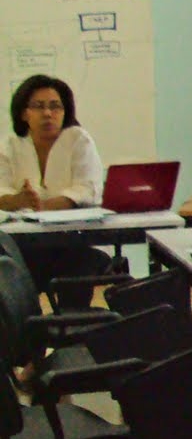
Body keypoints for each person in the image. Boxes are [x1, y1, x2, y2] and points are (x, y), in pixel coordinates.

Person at [0, 75, 114, 309]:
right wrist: (18, 200)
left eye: (55, 106)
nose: (48, 113)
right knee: (10, 273)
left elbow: (88, 189)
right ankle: (28, 327)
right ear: (24, 113)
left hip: (73, 242)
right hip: (24, 244)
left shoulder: (78, 140)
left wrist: (43, 206)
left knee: (80, 265)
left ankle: (74, 324)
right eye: (38, 106)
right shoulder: (10, 145)